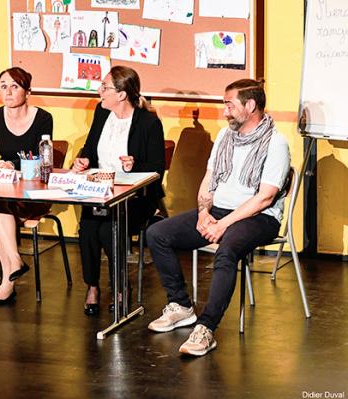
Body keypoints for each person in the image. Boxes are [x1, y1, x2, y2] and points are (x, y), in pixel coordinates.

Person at [145, 79, 290, 356]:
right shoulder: (225, 137)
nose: (225, 112)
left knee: (227, 250)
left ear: (250, 105)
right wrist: (203, 212)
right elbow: (209, 178)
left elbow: (265, 198)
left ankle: (206, 328)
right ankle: (181, 306)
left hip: (258, 217)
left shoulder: (275, 143)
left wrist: (223, 224)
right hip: (218, 212)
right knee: (158, 233)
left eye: (229, 105)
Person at [72, 66, 165, 316]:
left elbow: (157, 170)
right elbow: (91, 149)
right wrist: (83, 159)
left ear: (122, 94)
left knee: (109, 229)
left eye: (105, 87)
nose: (100, 92)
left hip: (136, 197)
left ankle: (120, 287)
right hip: (101, 192)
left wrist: (135, 166)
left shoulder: (148, 123)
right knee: (89, 227)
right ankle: (92, 286)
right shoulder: (102, 115)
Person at [0, 67, 53, 306]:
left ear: (28, 91)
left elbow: (44, 158)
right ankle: (12, 270)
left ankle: (10, 278)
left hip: (32, 192)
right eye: (3, 86)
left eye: (14, 86)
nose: (7, 92)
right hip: (4, 190)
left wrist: (13, 164)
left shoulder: (43, 118)